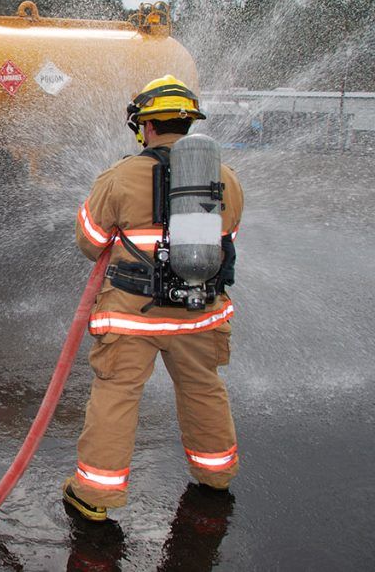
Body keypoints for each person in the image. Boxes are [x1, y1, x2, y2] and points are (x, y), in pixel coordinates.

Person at [62, 75, 243, 521]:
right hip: (199, 311)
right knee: (203, 388)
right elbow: (228, 239)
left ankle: (95, 495)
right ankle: (216, 474)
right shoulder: (225, 179)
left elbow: (90, 241)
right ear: (189, 123)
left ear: (146, 126)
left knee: (117, 394)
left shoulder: (121, 176)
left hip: (133, 314)